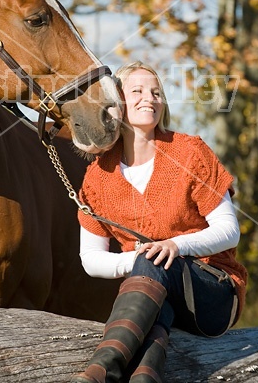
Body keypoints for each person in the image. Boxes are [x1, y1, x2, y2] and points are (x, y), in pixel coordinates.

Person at [71, 61, 247, 383]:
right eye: (136, 91)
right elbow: (90, 259)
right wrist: (136, 259)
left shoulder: (189, 152)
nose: (148, 98)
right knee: (153, 283)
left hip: (213, 294)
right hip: (154, 297)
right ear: (116, 103)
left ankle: (100, 371)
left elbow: (229, 231)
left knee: (155, 262)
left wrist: (174, 246)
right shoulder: (97, 176)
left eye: (155, 92)